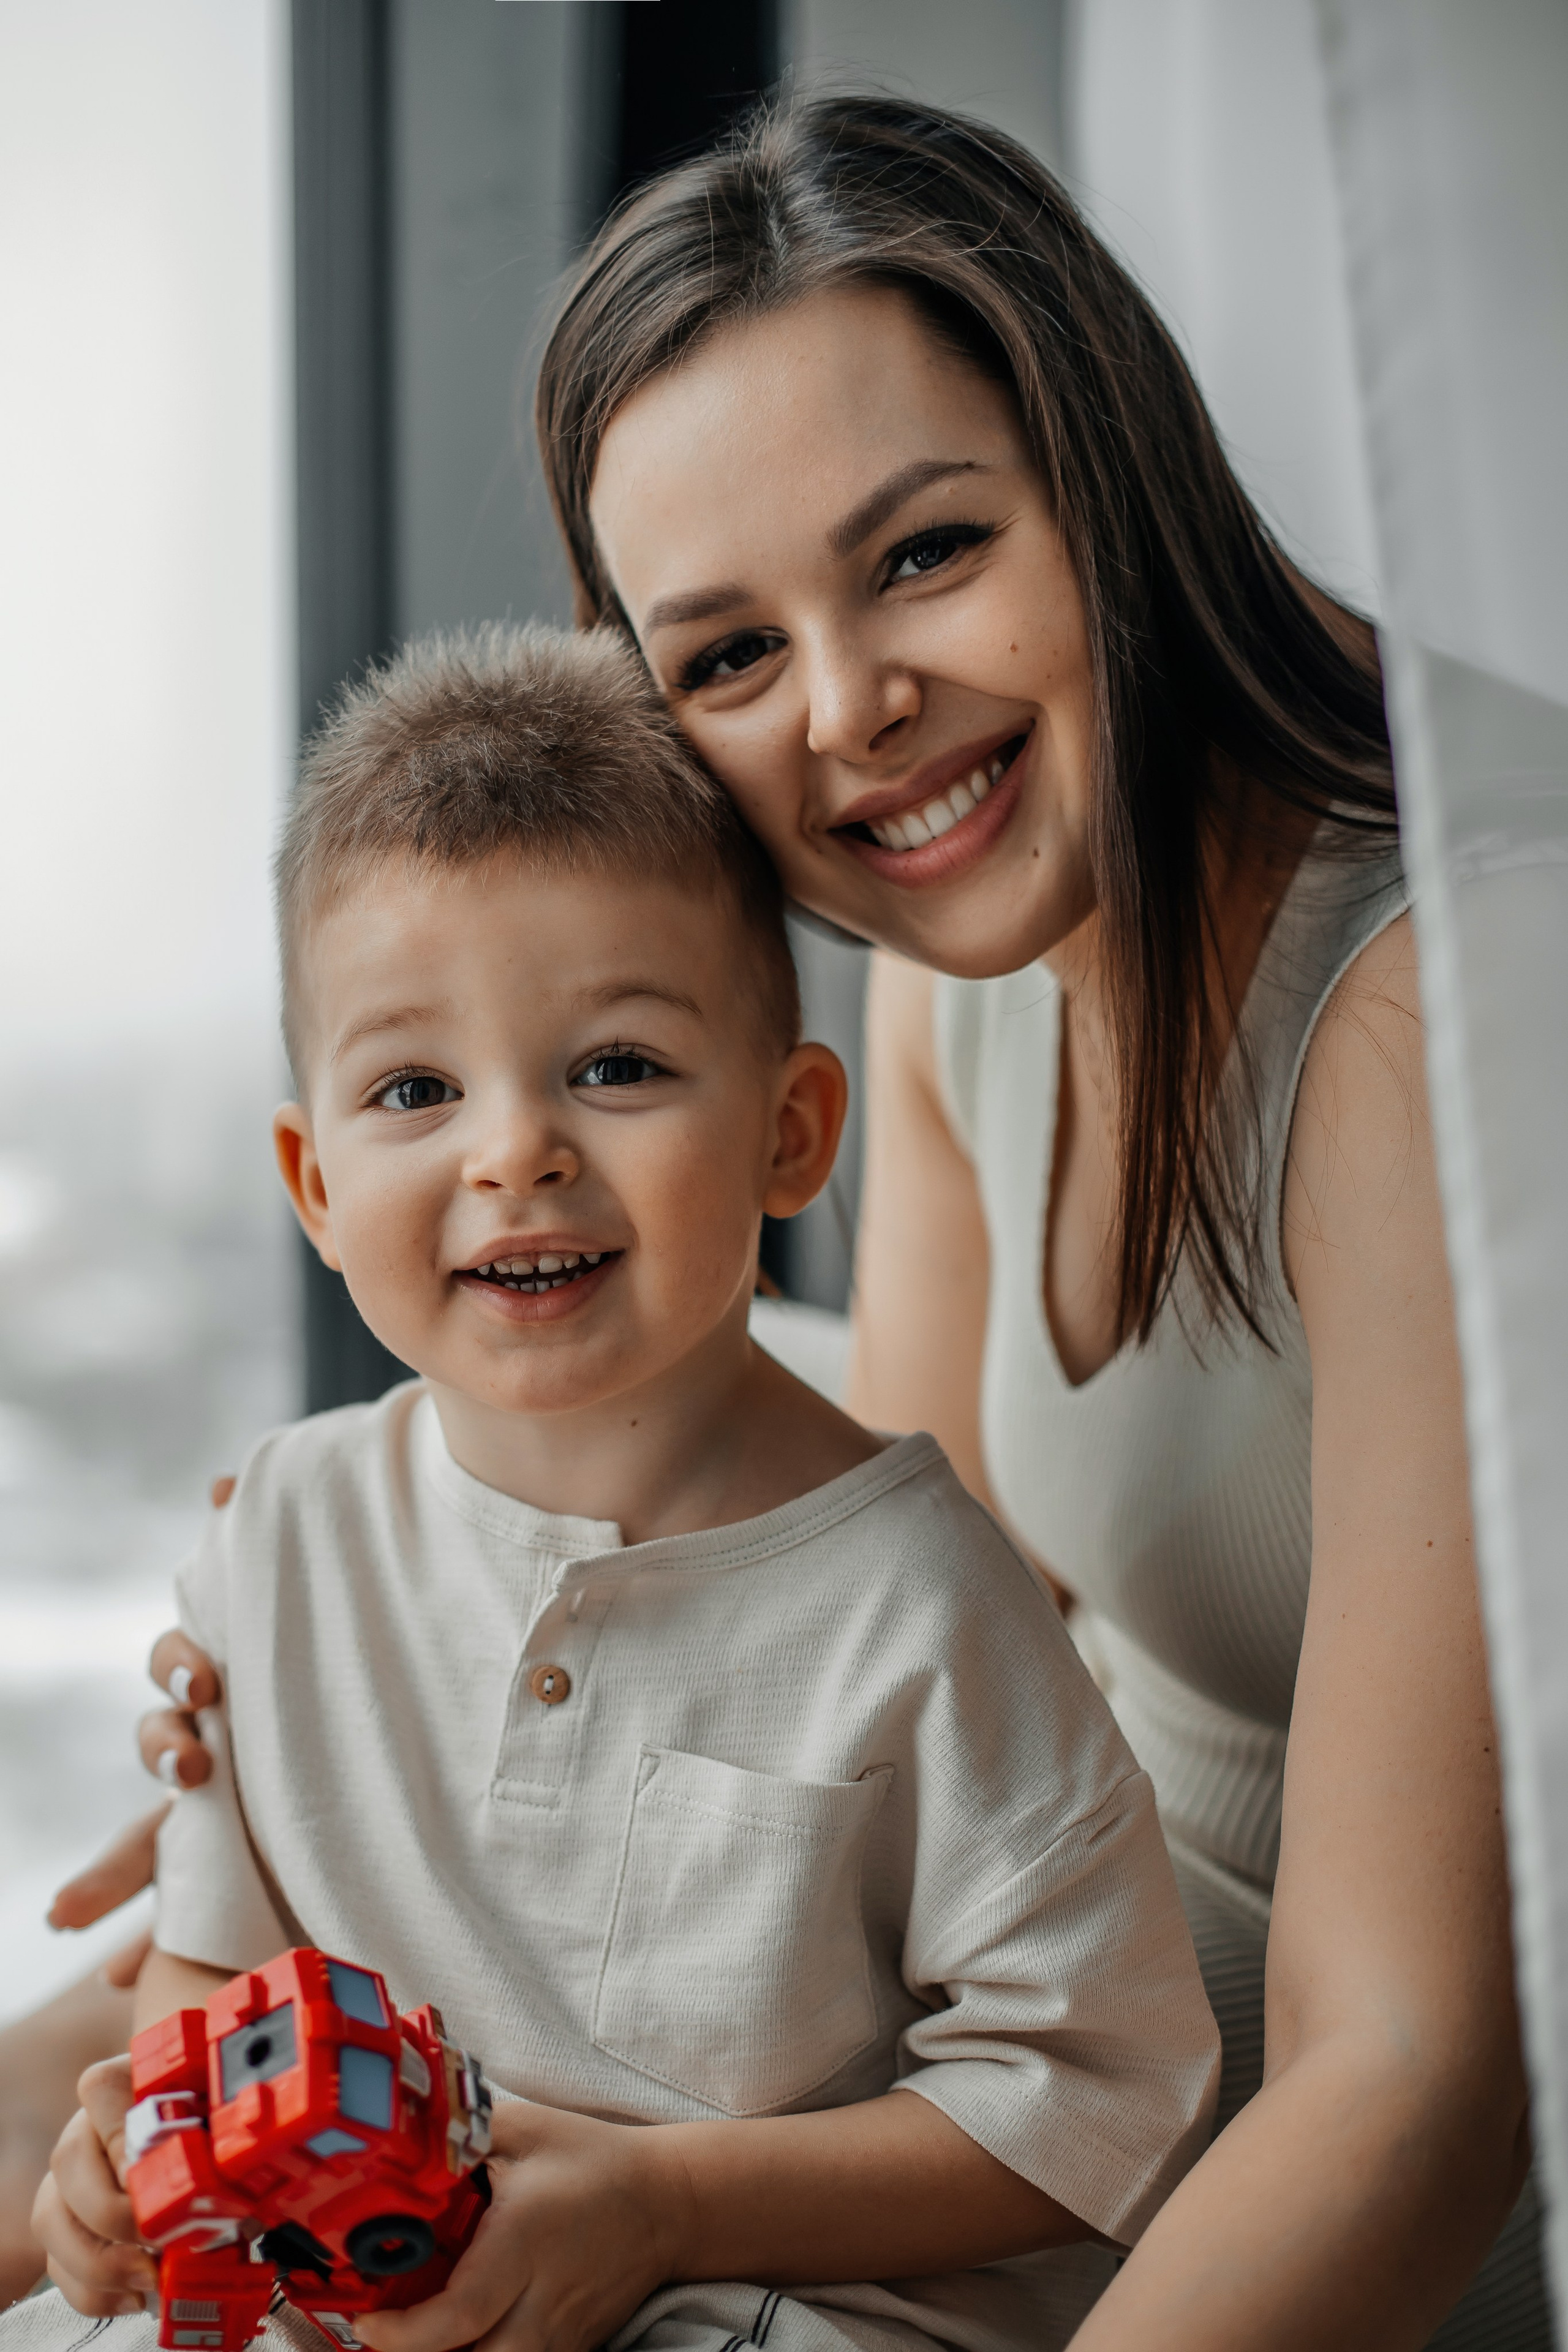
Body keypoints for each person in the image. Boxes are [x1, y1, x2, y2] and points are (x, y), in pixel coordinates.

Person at [8, 90, 1543, 2348]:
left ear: (1106, 461)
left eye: (928, 552)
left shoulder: (1461, 998)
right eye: (726, 657)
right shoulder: (975, 952)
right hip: (870, 2079)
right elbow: (890, 1568)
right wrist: (389, 1682)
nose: (853, 710)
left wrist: (670, 2197)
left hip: (1219, 2219)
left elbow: (1417, 2092)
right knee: (126, 2067)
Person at [19, 623, 1219, 2352]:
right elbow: (221, 1982)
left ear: (794, 1134)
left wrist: (662, 2211)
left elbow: (1091, 2110)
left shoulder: (927, 1601)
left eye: (619, 1067)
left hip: (766, 2299)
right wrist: (141, 2143)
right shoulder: (276, 1537)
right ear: (314, 1182)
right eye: (416, 1090)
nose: (515, 1150)